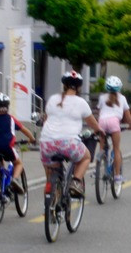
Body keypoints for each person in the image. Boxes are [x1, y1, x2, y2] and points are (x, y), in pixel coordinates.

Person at [40, 70, 102, 198]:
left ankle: (51, 203)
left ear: (64, 85)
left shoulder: (53, 99)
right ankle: (76, 181)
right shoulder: (81, 103)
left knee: (51, 177)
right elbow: (94, 125)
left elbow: (46, 120)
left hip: (46, 144)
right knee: (86, 157)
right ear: (79, 87)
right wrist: (100, 132)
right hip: (68, 144)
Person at [0, 92, 37, 194]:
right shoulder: (11, 119)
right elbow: (24, 130)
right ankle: (15, 180)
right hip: (7, 146)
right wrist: (32, 139)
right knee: (18, 163)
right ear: (7, 107)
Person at [96, 75, 131, 183]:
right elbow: (128, 116)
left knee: (102, 148)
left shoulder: (102, 97)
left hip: (102, 122)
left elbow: (99, 112)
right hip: (114, 123)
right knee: (116, 149)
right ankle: (117, 176)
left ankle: (98, 170)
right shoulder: (122, 98)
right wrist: (130, 125)